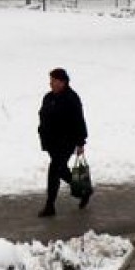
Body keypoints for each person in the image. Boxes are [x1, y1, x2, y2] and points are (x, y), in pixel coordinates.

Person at [37, 67, 90, 216]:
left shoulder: (71, 98)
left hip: (66, 141)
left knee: (54, 170)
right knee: (61, 170)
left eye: (54, 81)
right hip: (51, 142)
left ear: (63, 82)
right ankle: (83, 191)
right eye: (51, 80)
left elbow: (79, 120)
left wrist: (81, 142)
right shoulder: (48, 97)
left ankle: (50, 206)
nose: (51, 83)